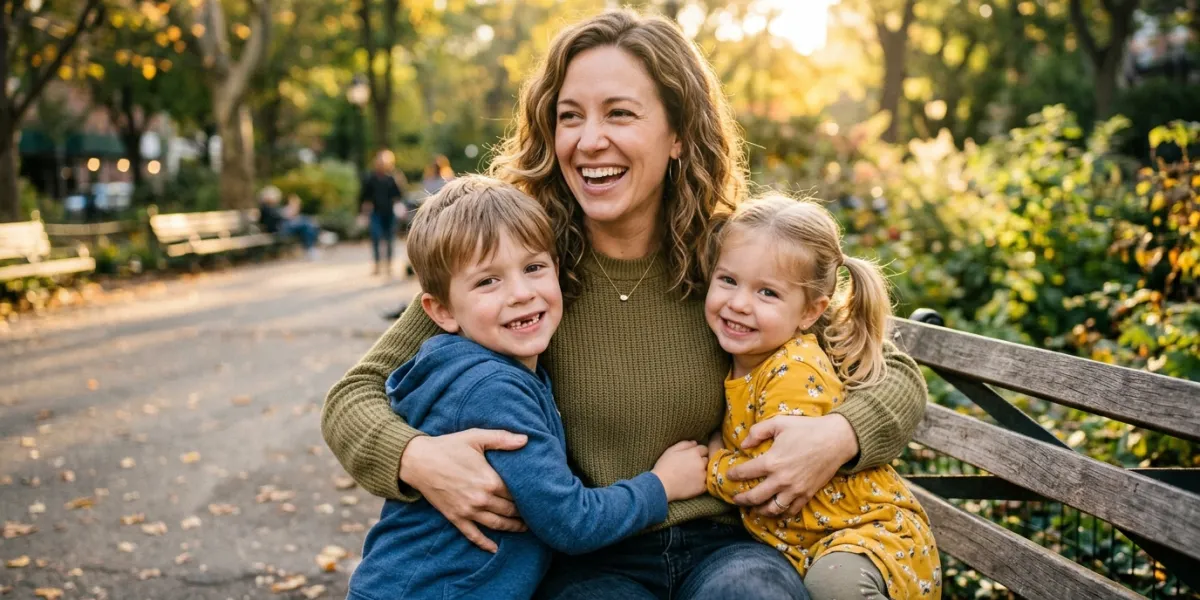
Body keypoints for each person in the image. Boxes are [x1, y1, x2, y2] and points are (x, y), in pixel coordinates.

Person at [324, 10, 928, 599]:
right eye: (570, 117)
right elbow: (355, 395)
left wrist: (840, 435)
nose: (590, 141)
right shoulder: (522, 269)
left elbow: (889, 370)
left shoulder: (730, 260)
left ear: (677, 135)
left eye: (620, 114)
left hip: (726, 540)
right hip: (594, 552)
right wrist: (418, 458)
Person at [348, 175, 710, 599]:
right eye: (488, 281)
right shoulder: (492, 390)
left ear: (556, 269)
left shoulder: (499, 370)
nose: (520, 293)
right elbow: (570, 522)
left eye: (533, 268)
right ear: (441, 310)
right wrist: (662, 485)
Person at [703, 195, 941, 599]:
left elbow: (770, 475)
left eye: (768, 293)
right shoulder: (749, 357)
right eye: (728, 280)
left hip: (864, 537)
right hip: (815, 542)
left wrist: (712, 464)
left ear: (812, 313)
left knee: (834, 587)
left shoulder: (793, 369)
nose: (738, 303)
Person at [359, 150, 405, 276]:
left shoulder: (393, 177)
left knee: (390, 238)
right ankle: (377, 264)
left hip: (390, 212)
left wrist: (400, 209)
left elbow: (399, 195)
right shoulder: (371, 177)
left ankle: (389, 264)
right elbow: (365, 196)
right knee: (376, 236)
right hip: (376, 212)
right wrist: (364, 211)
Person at [258, 187, 320, 259]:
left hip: (282, 228)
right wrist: (293, 206)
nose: (276, 198)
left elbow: (284, 215)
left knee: (306, 222)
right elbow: (283, 216)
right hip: (277, 230)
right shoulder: (266, 208)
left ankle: (311, 247)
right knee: (305, 224)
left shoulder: (273, 207)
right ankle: (310, 248)